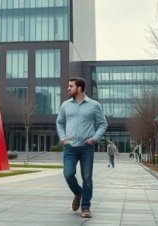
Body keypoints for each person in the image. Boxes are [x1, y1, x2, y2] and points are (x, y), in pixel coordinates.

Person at [56, 77, 107, 218]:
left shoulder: (94, 105)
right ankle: (78, 192)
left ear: (79, 88)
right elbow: (59, 123)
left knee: (87, 178)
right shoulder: (65, 105)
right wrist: (63, 139)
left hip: (86, 148)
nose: (68, 89)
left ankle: (85, 207)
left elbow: (103, 124)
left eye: (70, 86)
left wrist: (94, 139)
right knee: (68, 174)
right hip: (70, 148)